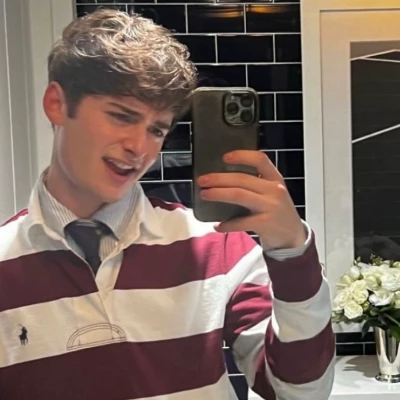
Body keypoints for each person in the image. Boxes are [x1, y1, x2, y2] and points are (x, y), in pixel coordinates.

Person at [0, 9, 335, 400]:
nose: (139, 147)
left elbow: (300, 392)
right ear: (57, 104)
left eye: (156, 129)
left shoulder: (218, 246)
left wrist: (292, 251)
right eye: (121, 116)